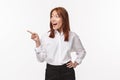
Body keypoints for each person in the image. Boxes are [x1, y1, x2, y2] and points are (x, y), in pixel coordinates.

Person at [27, 7, 86, 80]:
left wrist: (76, 63)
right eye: (51, 16)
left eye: (56, 16)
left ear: (64, 19)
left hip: (67, 71)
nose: (52, 19)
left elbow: (81, 51)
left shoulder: (72, 36)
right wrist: (37, 42)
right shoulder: (46, 36)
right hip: (51, 71)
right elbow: (41, 59)